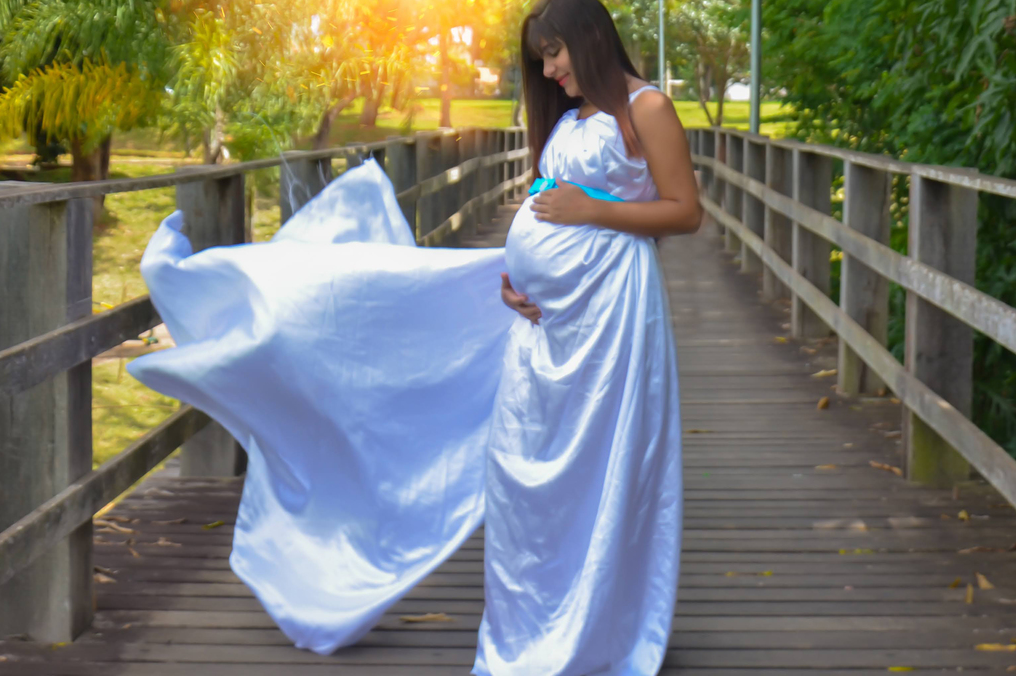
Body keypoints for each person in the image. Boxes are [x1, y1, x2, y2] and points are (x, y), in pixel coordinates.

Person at [127, 0, 701, 672]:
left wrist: (591, 210)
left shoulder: (647, 108)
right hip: (542, 321)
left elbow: (684, 212)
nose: (548, 71)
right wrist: (516, 277)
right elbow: (546, 203)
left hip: (611, 318)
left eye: (554, 53)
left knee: (600, 467)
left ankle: (595, 634)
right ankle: (532, 629)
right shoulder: (570, 118)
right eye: (541, 59)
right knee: (522, 471)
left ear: (589, 37)